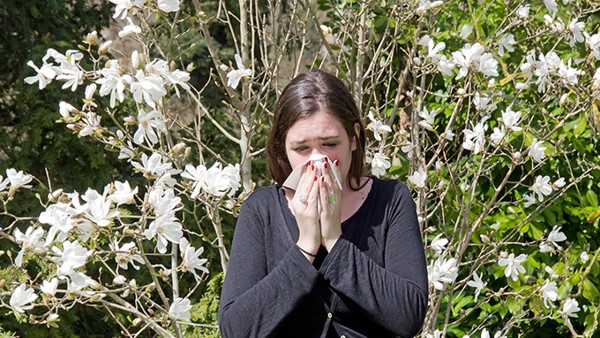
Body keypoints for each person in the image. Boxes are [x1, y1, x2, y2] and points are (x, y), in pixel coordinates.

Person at [218, 70, 428, 338]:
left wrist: (334, 241)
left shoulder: (391, 201)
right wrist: (305, 246)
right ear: (283, 148)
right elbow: (235, 330)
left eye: (329, 144)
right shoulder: (261, 211)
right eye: (302, 149)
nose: (318, 160)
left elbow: (409, 316)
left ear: (354, 138)